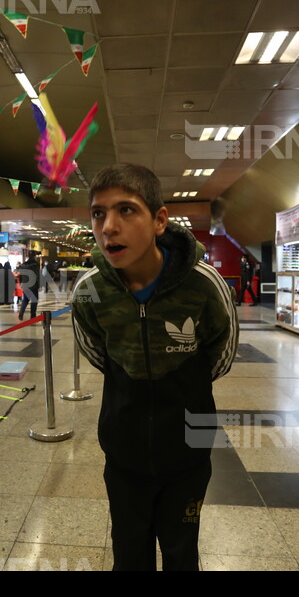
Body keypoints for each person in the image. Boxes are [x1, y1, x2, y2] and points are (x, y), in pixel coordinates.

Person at [71, 163, 238, 571]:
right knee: (129, 553)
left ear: (159, 220)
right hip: (123, 451)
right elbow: (97, 352)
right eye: (98, 213)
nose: (109, 226)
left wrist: (184, 384)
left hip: (188, 452)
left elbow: (222, 351)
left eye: (126, 210)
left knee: (182, 553)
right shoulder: (89, 291)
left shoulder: (202, 284)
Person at [17, 252, 41, 321]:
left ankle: (21, 313)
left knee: (25, 300)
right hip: (33, 285)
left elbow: (20, 275)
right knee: (34, 300)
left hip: (25, 285)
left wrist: (21, 283)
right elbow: (37, 275)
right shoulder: (35, 265)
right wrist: (39, 284)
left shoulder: (23, 265)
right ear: (34, 256)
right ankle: (33, 316)